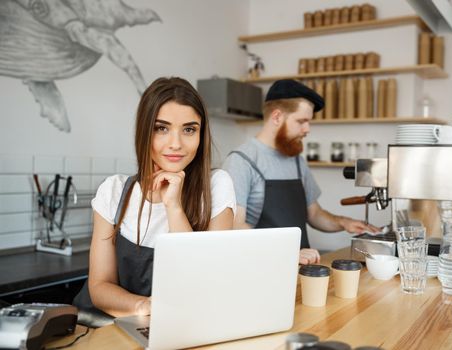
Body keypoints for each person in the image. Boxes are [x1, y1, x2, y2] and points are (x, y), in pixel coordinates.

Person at [73, 77, 236, 321]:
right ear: (144, 131)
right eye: (161, 128)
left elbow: (202, 284)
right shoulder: (114, 192)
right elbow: (99, 287)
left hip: (176, 325)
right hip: (100, 328)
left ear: (201, 135)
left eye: (189, 129)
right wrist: (146, 307)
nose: (176, 144)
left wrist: (174, 206)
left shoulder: (216, 186)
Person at [222, 79, 378, 266]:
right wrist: (285, 252)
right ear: (277, 116)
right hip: (263, 267)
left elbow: (314, 214)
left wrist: (344, 222)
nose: (307, 129)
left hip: (303, 267)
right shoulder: (241, 161)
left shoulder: (296, 160)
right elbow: (234, 226)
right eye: (301, 121)